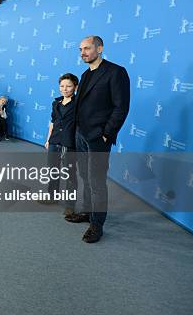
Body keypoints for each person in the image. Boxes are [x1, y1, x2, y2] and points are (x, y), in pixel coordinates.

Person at [69, 35, 130, 243]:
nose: (82, 53)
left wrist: (106, 134)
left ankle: (97, 224)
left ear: (100, 48)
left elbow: (121, 107)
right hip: (81, 135)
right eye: (80, 49)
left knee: (96, 182)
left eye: (86, 48)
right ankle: (87, 212)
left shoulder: (116, 72)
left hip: (98, 138)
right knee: (85, 177)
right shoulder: (85, 75)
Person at [41, 73, 79, 215]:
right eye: (62, 86)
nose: (65, 89)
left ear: (75, 87)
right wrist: (48, 139)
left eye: (68, 86)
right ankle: (52, 196)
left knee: (69, 174)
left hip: (70, 142)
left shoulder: (78, 103)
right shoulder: (55, 103)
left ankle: (70, 205)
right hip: (54, 140)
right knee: (52, 170)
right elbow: (53, 122)